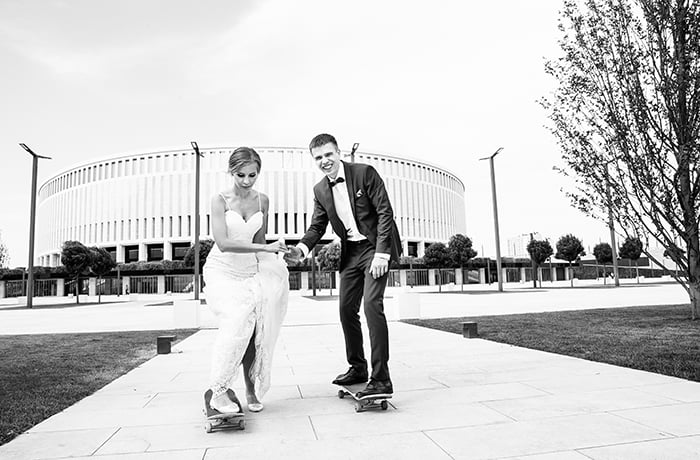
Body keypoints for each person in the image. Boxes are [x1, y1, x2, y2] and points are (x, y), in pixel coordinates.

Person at [284, 134, 402, 397]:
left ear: (338, 152)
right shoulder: (320, 190)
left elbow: (385, 212)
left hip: (375, 247)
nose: (324, 161)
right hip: (351, 251)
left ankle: (381, 379)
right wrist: (301, 249)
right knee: (346, 309)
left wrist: (382, 254)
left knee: (372, 306)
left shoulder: (364, 173)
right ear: (313, 160)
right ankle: (358, 367)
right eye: (318, 158)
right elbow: (317, 226)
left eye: (328, 154)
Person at [203, 147, 289, 414]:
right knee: (236, 321)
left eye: (253, 175)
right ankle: (218, 390)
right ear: (231, 172)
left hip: (251, 271)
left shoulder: (263, 200)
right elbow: (224, 243)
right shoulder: (219, 200)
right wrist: (264, 249)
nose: (247, 180)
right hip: (222, 270)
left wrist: (277, 257)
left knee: (255, 331)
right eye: (241, 174)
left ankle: (250, 389)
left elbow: (261, 241)